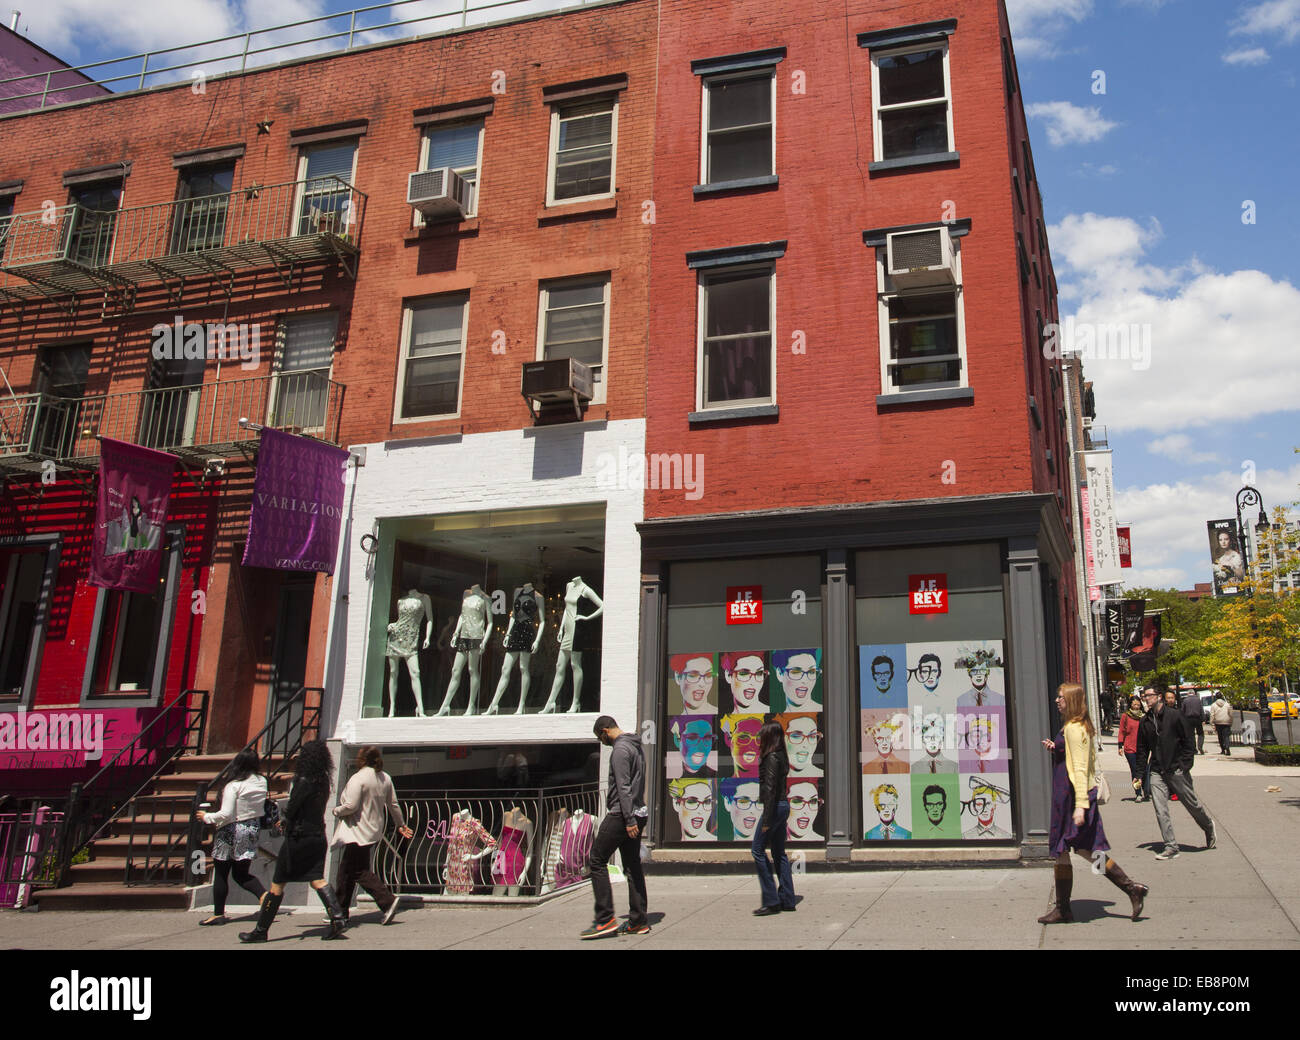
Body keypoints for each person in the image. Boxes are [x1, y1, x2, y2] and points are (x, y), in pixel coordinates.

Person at [1038, 683, 1148, 925]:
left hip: (1072, 798)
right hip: (1073, 796)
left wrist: (1079, 805)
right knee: (1078, 851)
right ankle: (1068, 907)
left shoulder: (1074, 729)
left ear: (1072, 700)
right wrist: (1056, 748)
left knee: (1077, 851)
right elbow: (1077, 759)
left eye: (1061, 698)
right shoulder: (1076, 726)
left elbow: (1079, 768)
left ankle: (1128, 888)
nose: (1057, 701)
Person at [239, 740, 348, 943]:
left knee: (278, 884)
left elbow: (294, 806)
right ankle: (338, 916)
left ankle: (261, 930)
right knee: (317, 879)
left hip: (299, 837)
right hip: (318, 835)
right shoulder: (324, 780)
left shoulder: (304, 780)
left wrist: (284, 820)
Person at [331, 746, 415, 929]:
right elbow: (393, 804)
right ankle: (340, 912)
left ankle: (386, 900)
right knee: (346, 871)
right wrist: (400, 824)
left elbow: (351, 805)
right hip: (373, 830)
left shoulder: (358, 778)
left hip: (357, 829)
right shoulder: (385, 778)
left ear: (362, 759)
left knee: (356, 871)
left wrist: (336, 810)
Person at [581, 716, 650, 939]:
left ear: (604, 731)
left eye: (600, 738)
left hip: (622, 814)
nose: (602, 743)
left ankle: (605, 919)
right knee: (632, 866)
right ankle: (638, 921)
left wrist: (629, 820)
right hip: (637, 811)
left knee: (597, 860)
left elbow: (624, 786)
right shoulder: (636, 747)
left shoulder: (620, 750)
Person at [1135, 686, 1216, 860]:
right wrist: (1139, 774)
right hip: (1157, 770)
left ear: (1159, 697)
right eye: (1144, 697)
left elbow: (1188, 741)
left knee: (1192, 805)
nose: (1146, 699)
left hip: (1176, 769)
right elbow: (1142, 750)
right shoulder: (1145, 721)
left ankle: (1208, 826)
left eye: (1149, 696)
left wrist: (1184, 766)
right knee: (1160, 808)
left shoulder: (1175, 715)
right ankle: (1171, 846)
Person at [195, 749, 268, 926]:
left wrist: (206, 817)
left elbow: (226, 813)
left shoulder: (234, 785)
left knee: (221, 873)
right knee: (241, 873)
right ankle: (265, 897)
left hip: (230, 829)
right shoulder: (262, 781)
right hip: (251, 827)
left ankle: (218, 914)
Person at [751, 719, 796, 915]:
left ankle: (771, 900)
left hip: (774, 807)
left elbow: (769, 789)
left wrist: (766, 821)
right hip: (782, 805)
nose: (759, 738)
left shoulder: (770, 758)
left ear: (769, 737)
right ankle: (788, 898)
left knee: (757, 850)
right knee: (779, 853)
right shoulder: (782, 756)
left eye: (762, 735)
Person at [1117, 695, 1149, 801]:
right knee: (1135, 770)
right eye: (1134, 704)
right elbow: (1121, 731)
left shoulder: (1144, 716)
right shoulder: (1126, 716)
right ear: (1130, 704)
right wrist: (1120, 745)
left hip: (1143, 747)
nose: (1136, 706)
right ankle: (1138, 793)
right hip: (1130, 747)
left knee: (1144, 769)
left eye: (1138, 704)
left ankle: (1146, 790)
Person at [1180, 688, 1205, 755]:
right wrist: (1203, 719)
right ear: (1194, 693)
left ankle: (1194, 749)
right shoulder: (1198, 700)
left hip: (1188, 719)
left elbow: (1182, 711)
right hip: (1197, 718)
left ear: (1188, 694)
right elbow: (1201, 710)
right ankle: (1200, 746)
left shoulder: (1185, 700)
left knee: (1191, 735)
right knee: (1200, 733)